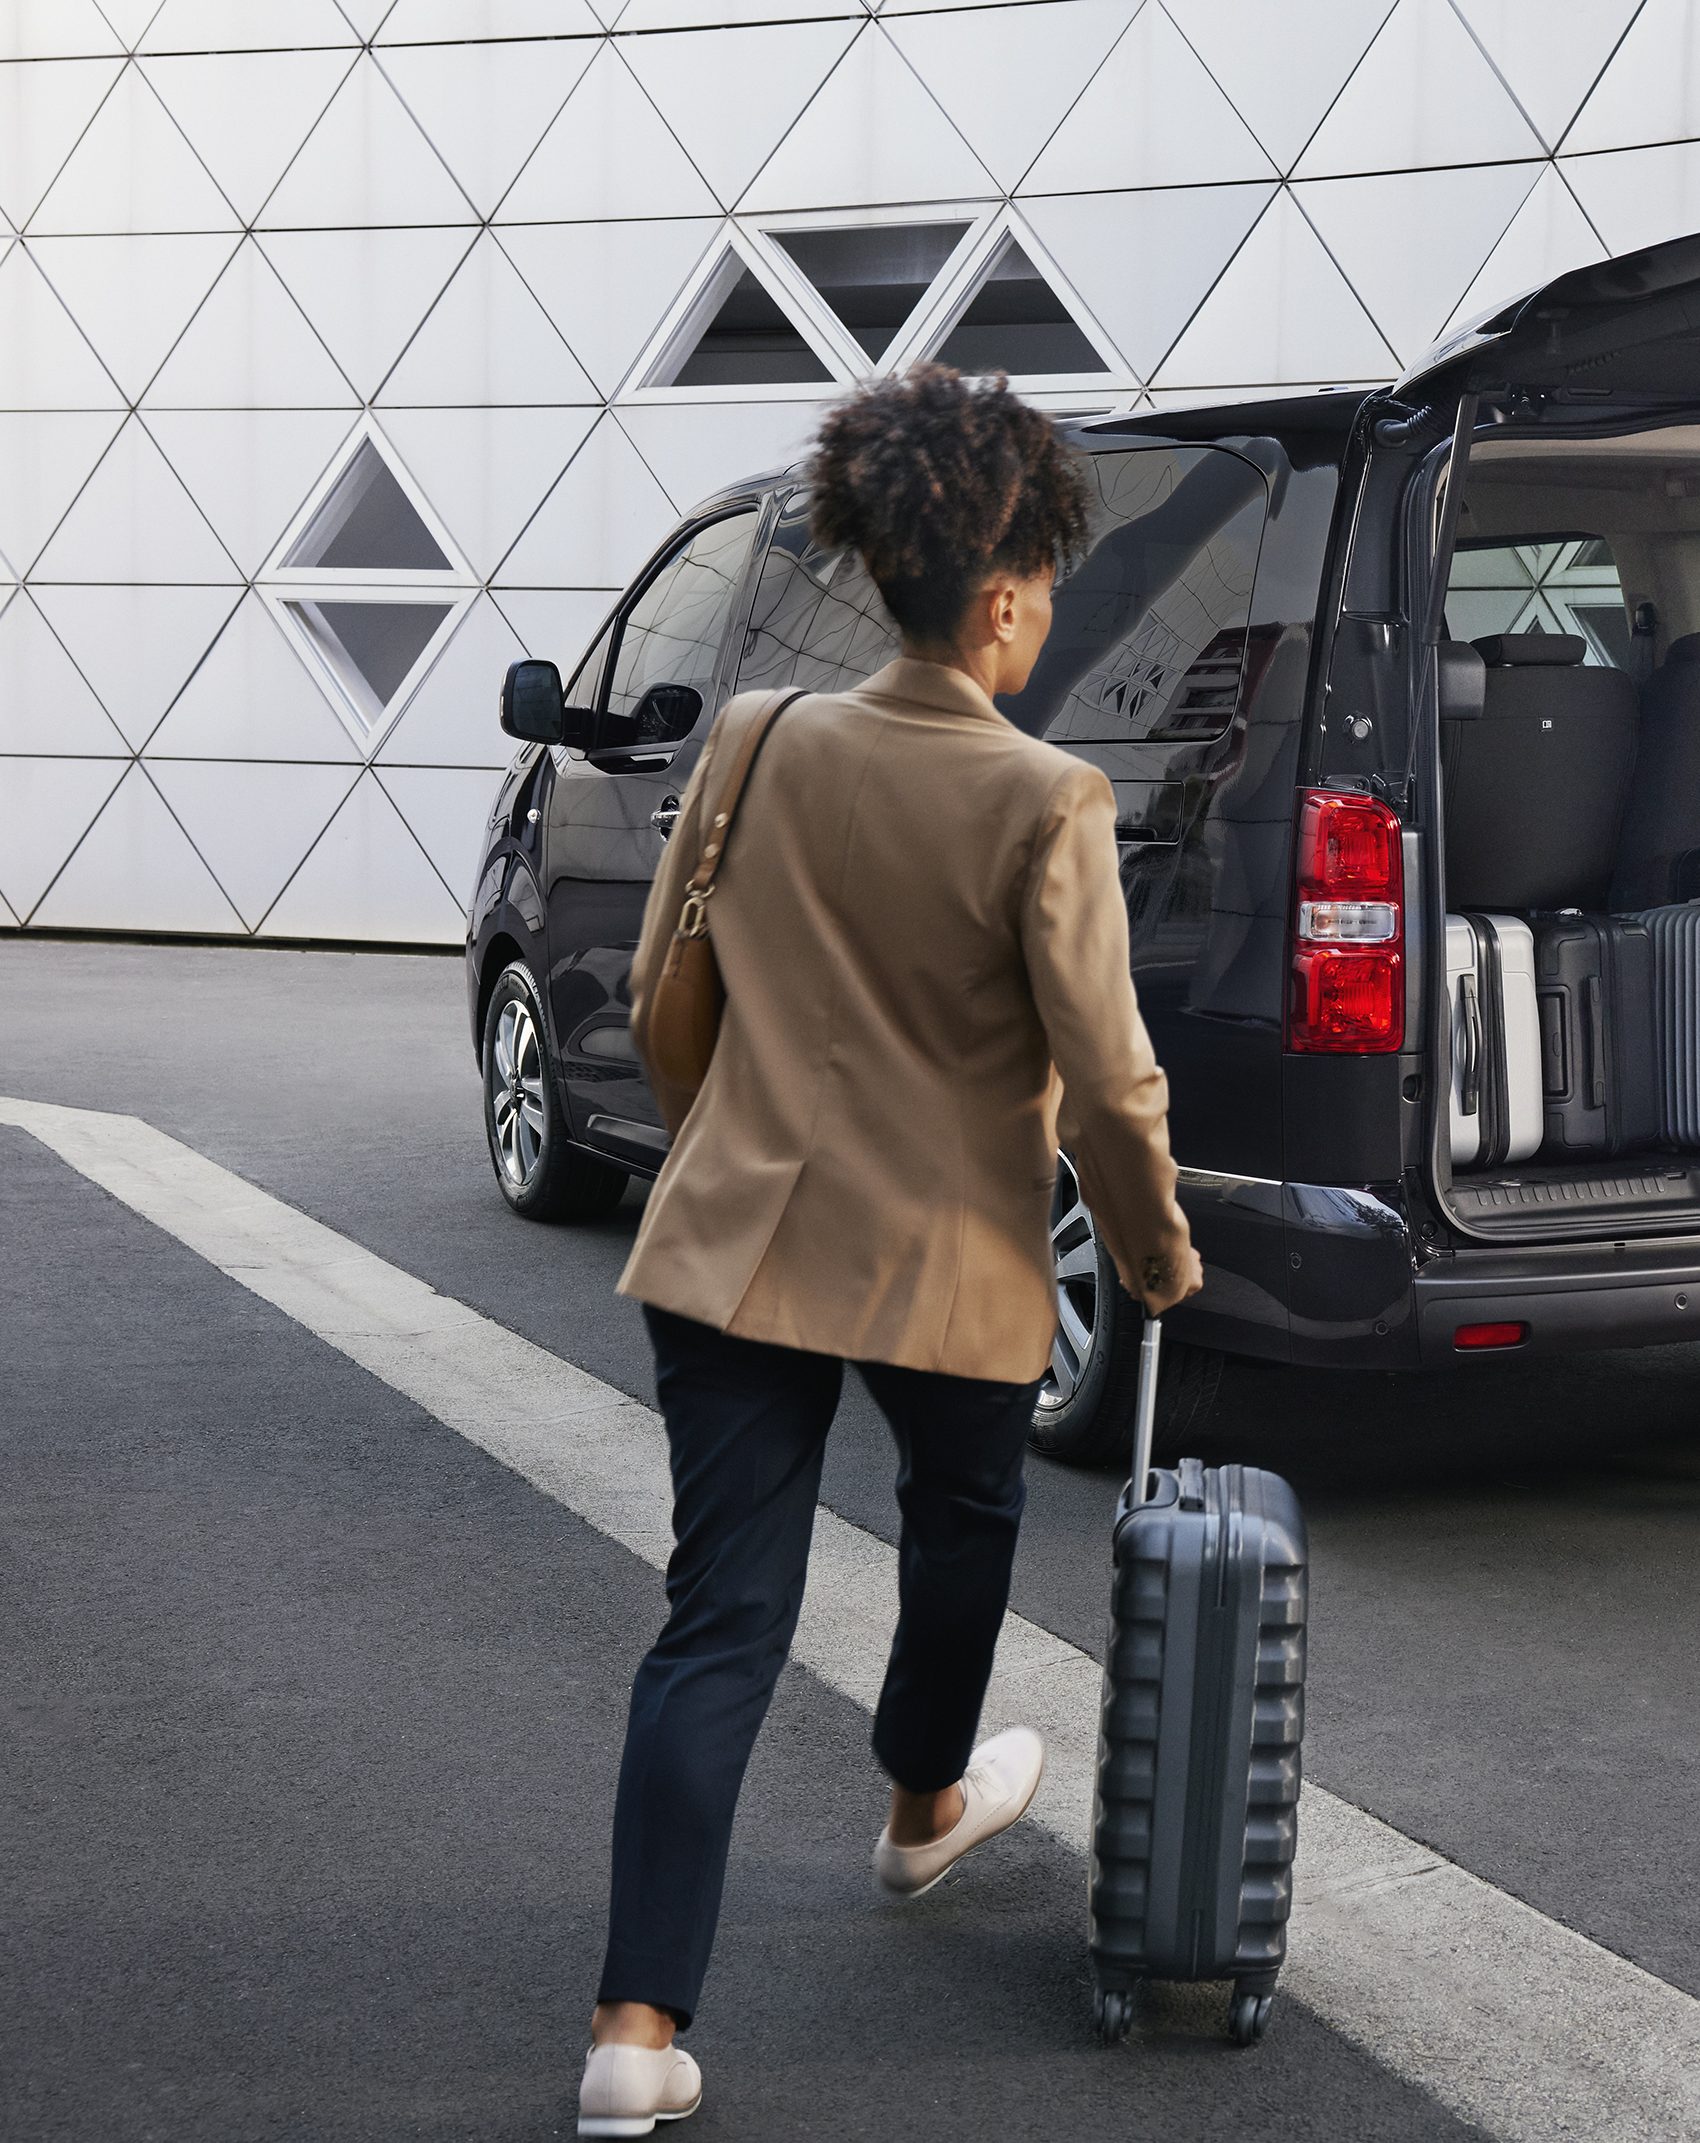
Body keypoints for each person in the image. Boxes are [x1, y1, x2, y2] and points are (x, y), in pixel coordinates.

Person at [573, 366, 1203, 2138]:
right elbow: (1109, 1078)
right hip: (949, 1258)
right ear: (999, 599)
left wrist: (735, 1142)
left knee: (720, 1616)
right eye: (1046, 587)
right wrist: (1155, 1257)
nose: (1047, 614)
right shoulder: (1045, 798)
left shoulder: (757, 736)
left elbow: (664, 989)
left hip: (738, 1234)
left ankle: (632, 2030)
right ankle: (923, 1805)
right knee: (960, 1529)